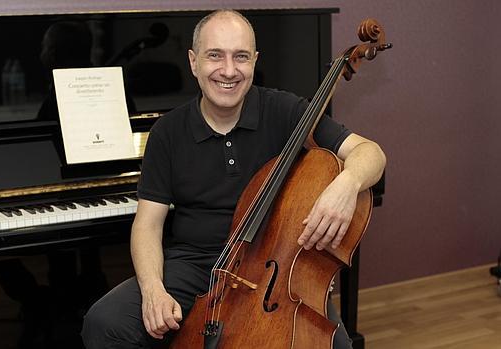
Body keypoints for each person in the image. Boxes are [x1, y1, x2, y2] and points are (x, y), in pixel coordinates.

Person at [82, 9, 386, 349]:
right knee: (104, 324)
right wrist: (154, 290)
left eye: (240, 57)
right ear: (194, 61)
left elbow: (371, 153)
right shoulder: (167, 132)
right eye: (215, 56)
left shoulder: (285, 111)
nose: (229, 70)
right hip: (195, 266)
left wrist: (347, 184)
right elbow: (147, 225)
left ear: (254, 61)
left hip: (277, 270)